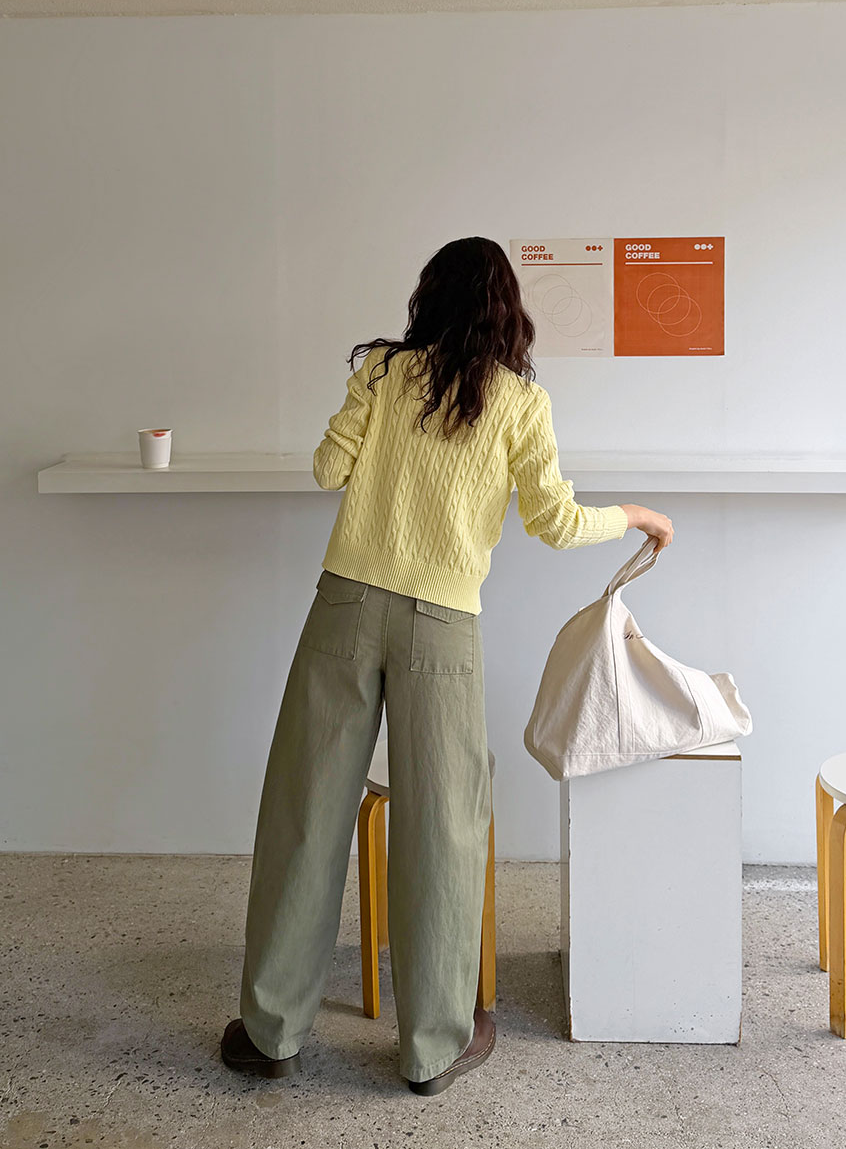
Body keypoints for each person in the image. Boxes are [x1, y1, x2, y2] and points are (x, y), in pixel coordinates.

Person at [220, 236, 674, 1095]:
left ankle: (272, 1032)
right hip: (442, 628)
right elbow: (554, 522)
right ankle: (431, 1049)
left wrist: (365, 403)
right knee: (444, 829)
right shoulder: (519, 401)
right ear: (506, 311)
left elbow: (326, 469)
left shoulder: (383, 373)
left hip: (345, 606)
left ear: (427, 297)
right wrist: (636, 516)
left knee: (306, 812)